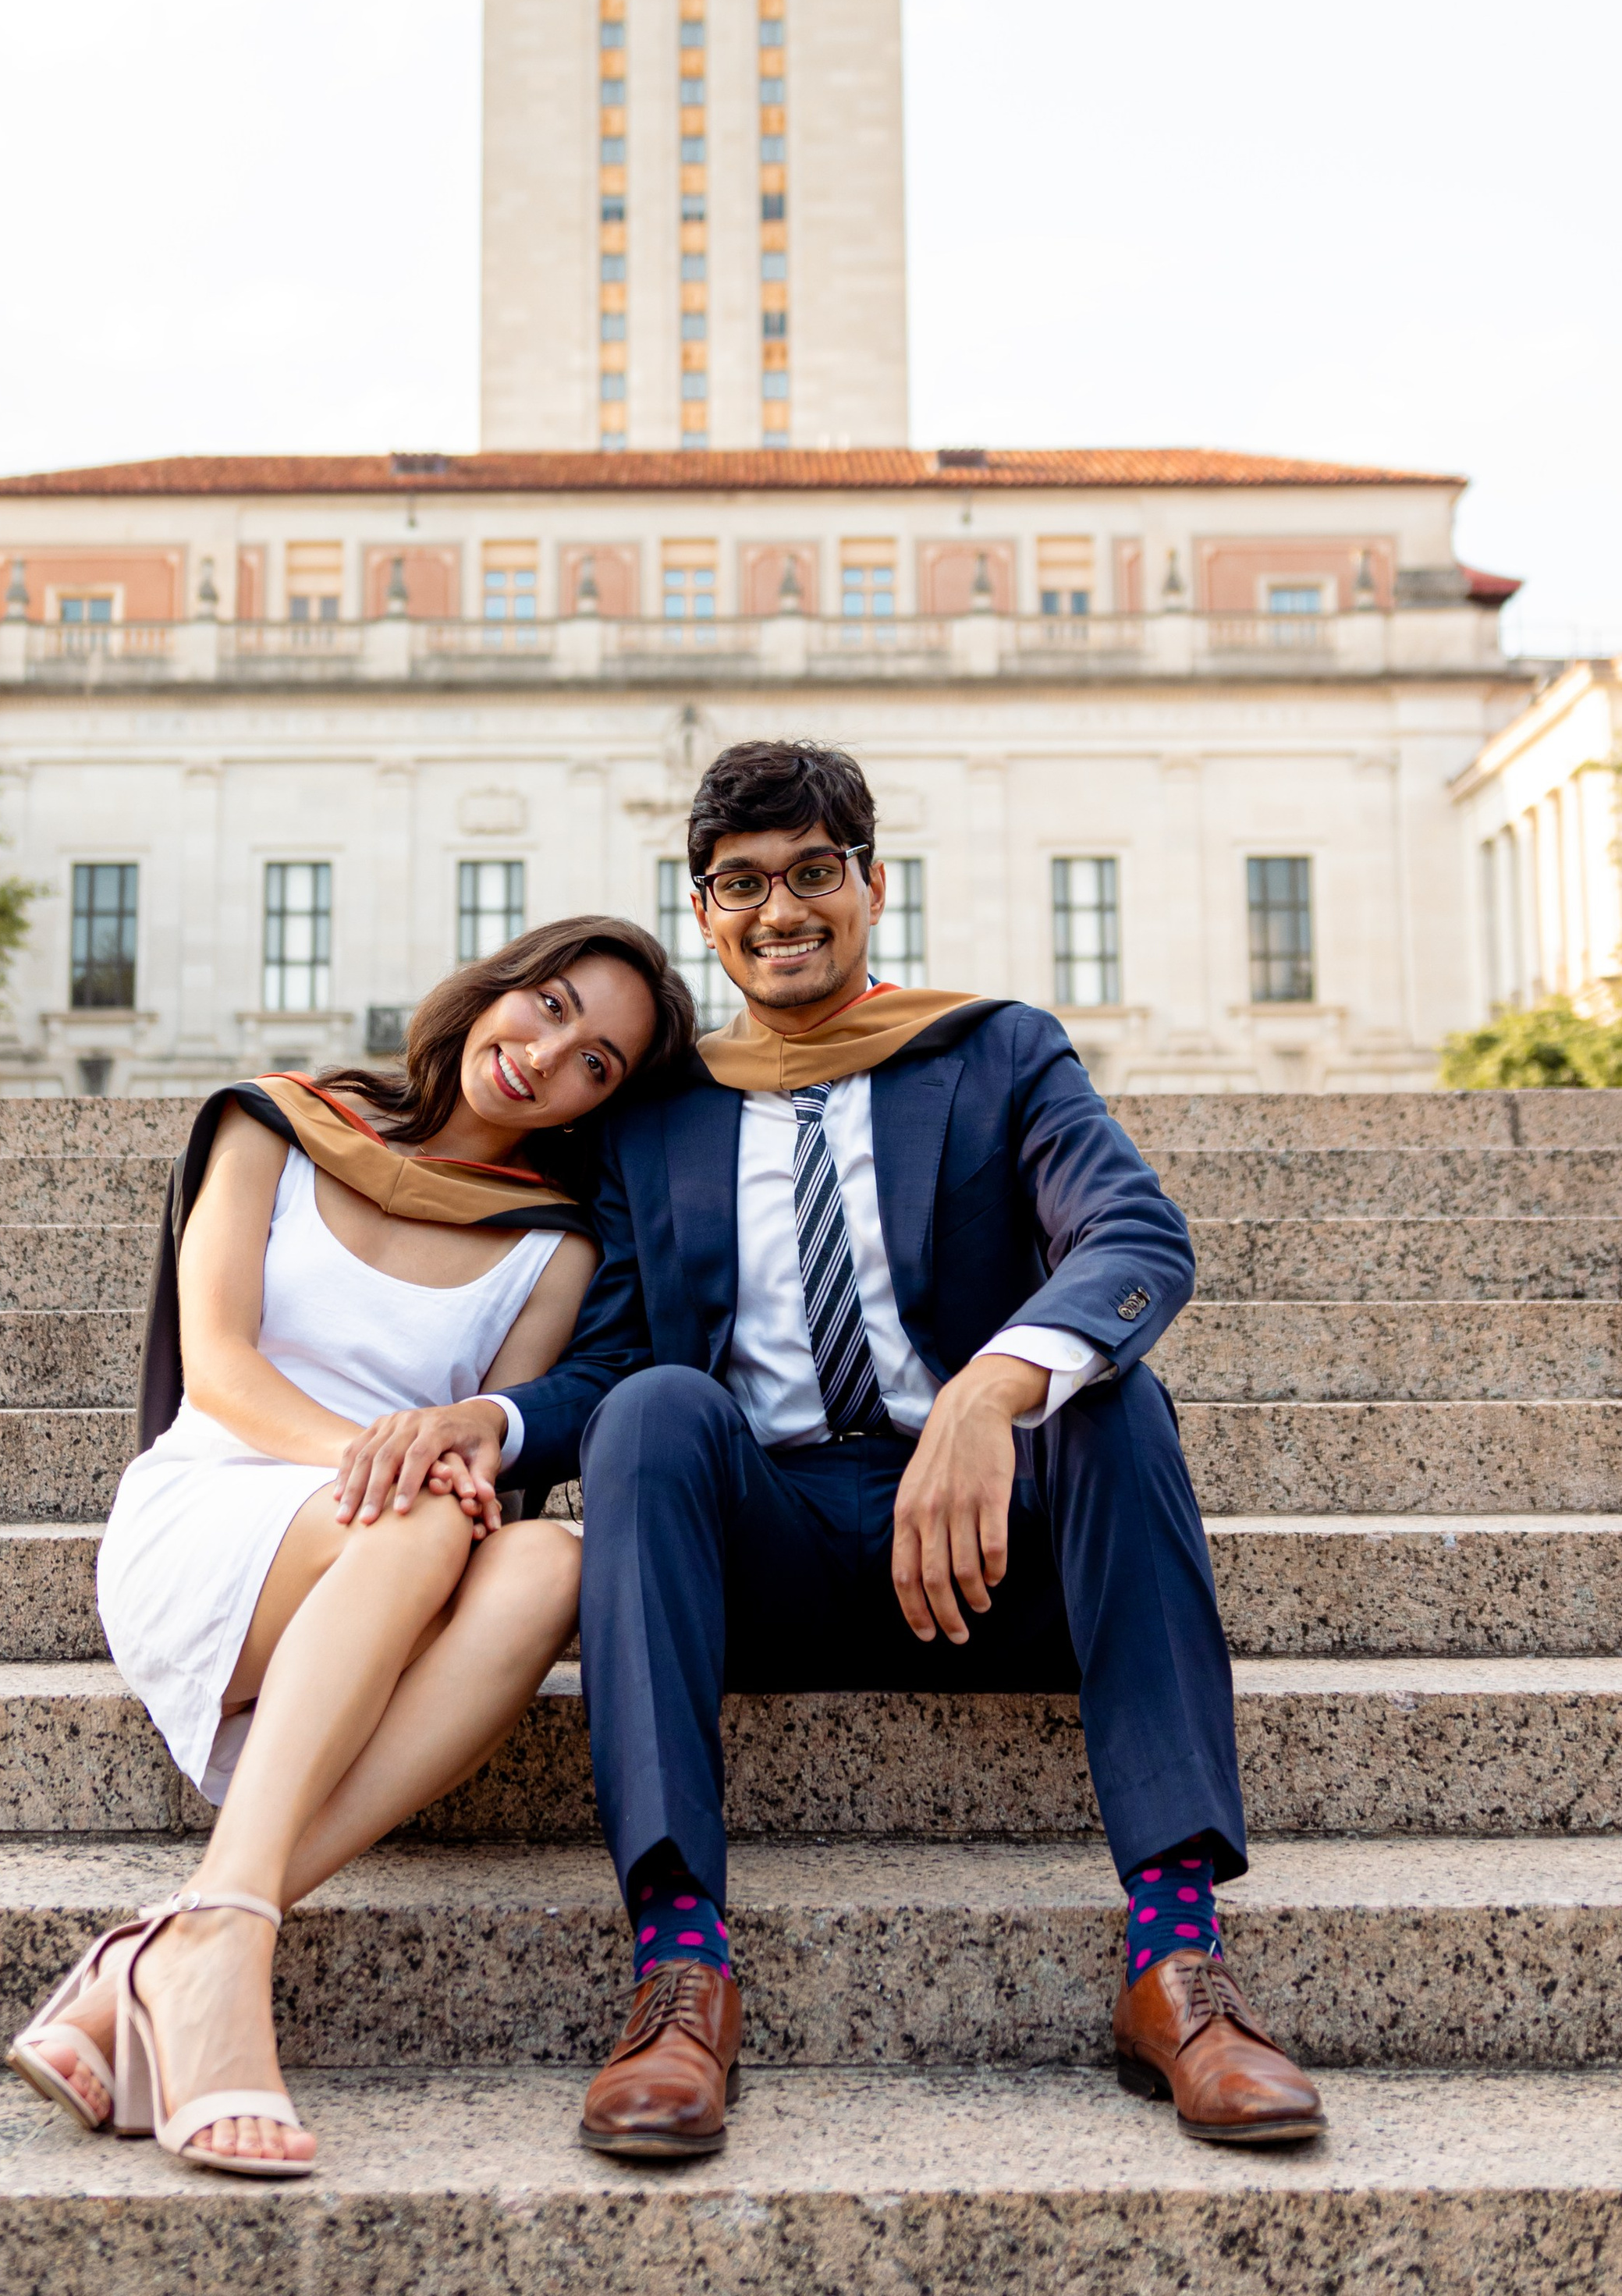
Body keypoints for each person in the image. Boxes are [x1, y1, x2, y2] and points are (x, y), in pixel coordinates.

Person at [494, 738, 1326, 2157]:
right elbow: (612, 1360)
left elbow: (1135, 1239)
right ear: (704, 910)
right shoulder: (657, 1115)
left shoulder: (998, 1052)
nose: (783, 909)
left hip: (986, 1548)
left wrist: (989, 1390)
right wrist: (495, 1425)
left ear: (874, 885)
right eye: (743, 883)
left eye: (815, 872)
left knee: (1115, 1397)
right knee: (652, 1409)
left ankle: (1179, 1963)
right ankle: (680, 1969)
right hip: (765, 1555)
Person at [4, 916, 694, 2178]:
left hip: (383, 1559)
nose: (548, 1055)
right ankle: (208, 1961)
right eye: (546, 1007)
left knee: (551, 1563)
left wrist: (421, 1470)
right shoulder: (275, 1122)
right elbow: (216, 1367)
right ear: (497, 988)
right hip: (216, 1508)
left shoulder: (554, 1243)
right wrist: (375, 1456)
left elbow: (496, 1463)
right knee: (423, 1496)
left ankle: (194, 1930)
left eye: (598, 1061)